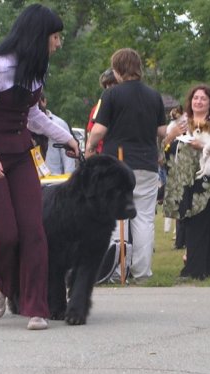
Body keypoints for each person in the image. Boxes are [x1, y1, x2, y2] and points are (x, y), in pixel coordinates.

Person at [0, 4, 79, 330]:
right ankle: (1, 284)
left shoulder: (35, 70)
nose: (58, 43)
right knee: (5, 232)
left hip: (20, 153)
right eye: (55, 36)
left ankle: (36, 308)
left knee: (34, 231)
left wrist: (67, 139)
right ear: (39, 37)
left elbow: (34, 115)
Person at [86, 48, 167, 283]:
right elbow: (161, 131)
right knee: (144, 218)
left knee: (116, 218)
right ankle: (142, 273)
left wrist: (90, 147)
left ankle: (116, 271)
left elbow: (99, 130)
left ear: (118, 70)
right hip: (147, 163)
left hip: (117, 163)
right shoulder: (154, 95)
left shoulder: (111, 95)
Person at [161, 84, 210, 280]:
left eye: (203, 98)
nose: (199, 101)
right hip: (185, 183)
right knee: (204, 224)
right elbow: (164, 152)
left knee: (195, 222)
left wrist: (202, 146)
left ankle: (193, 271)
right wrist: (172, 136)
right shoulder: (183, 124)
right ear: (190, 102)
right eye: (195, 98)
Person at [86, 68, 118, 155]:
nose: (110, 88)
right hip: (102, 155)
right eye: (107, 85)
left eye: (114, 84)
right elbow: (91, 133)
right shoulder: (97, 108)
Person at [42, 94, 75, 174]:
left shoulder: (59, 124)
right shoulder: (25, 125)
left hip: (55, 181)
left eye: (38, 103)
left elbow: (68, 158)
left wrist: (68, 180)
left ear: (44, 101)